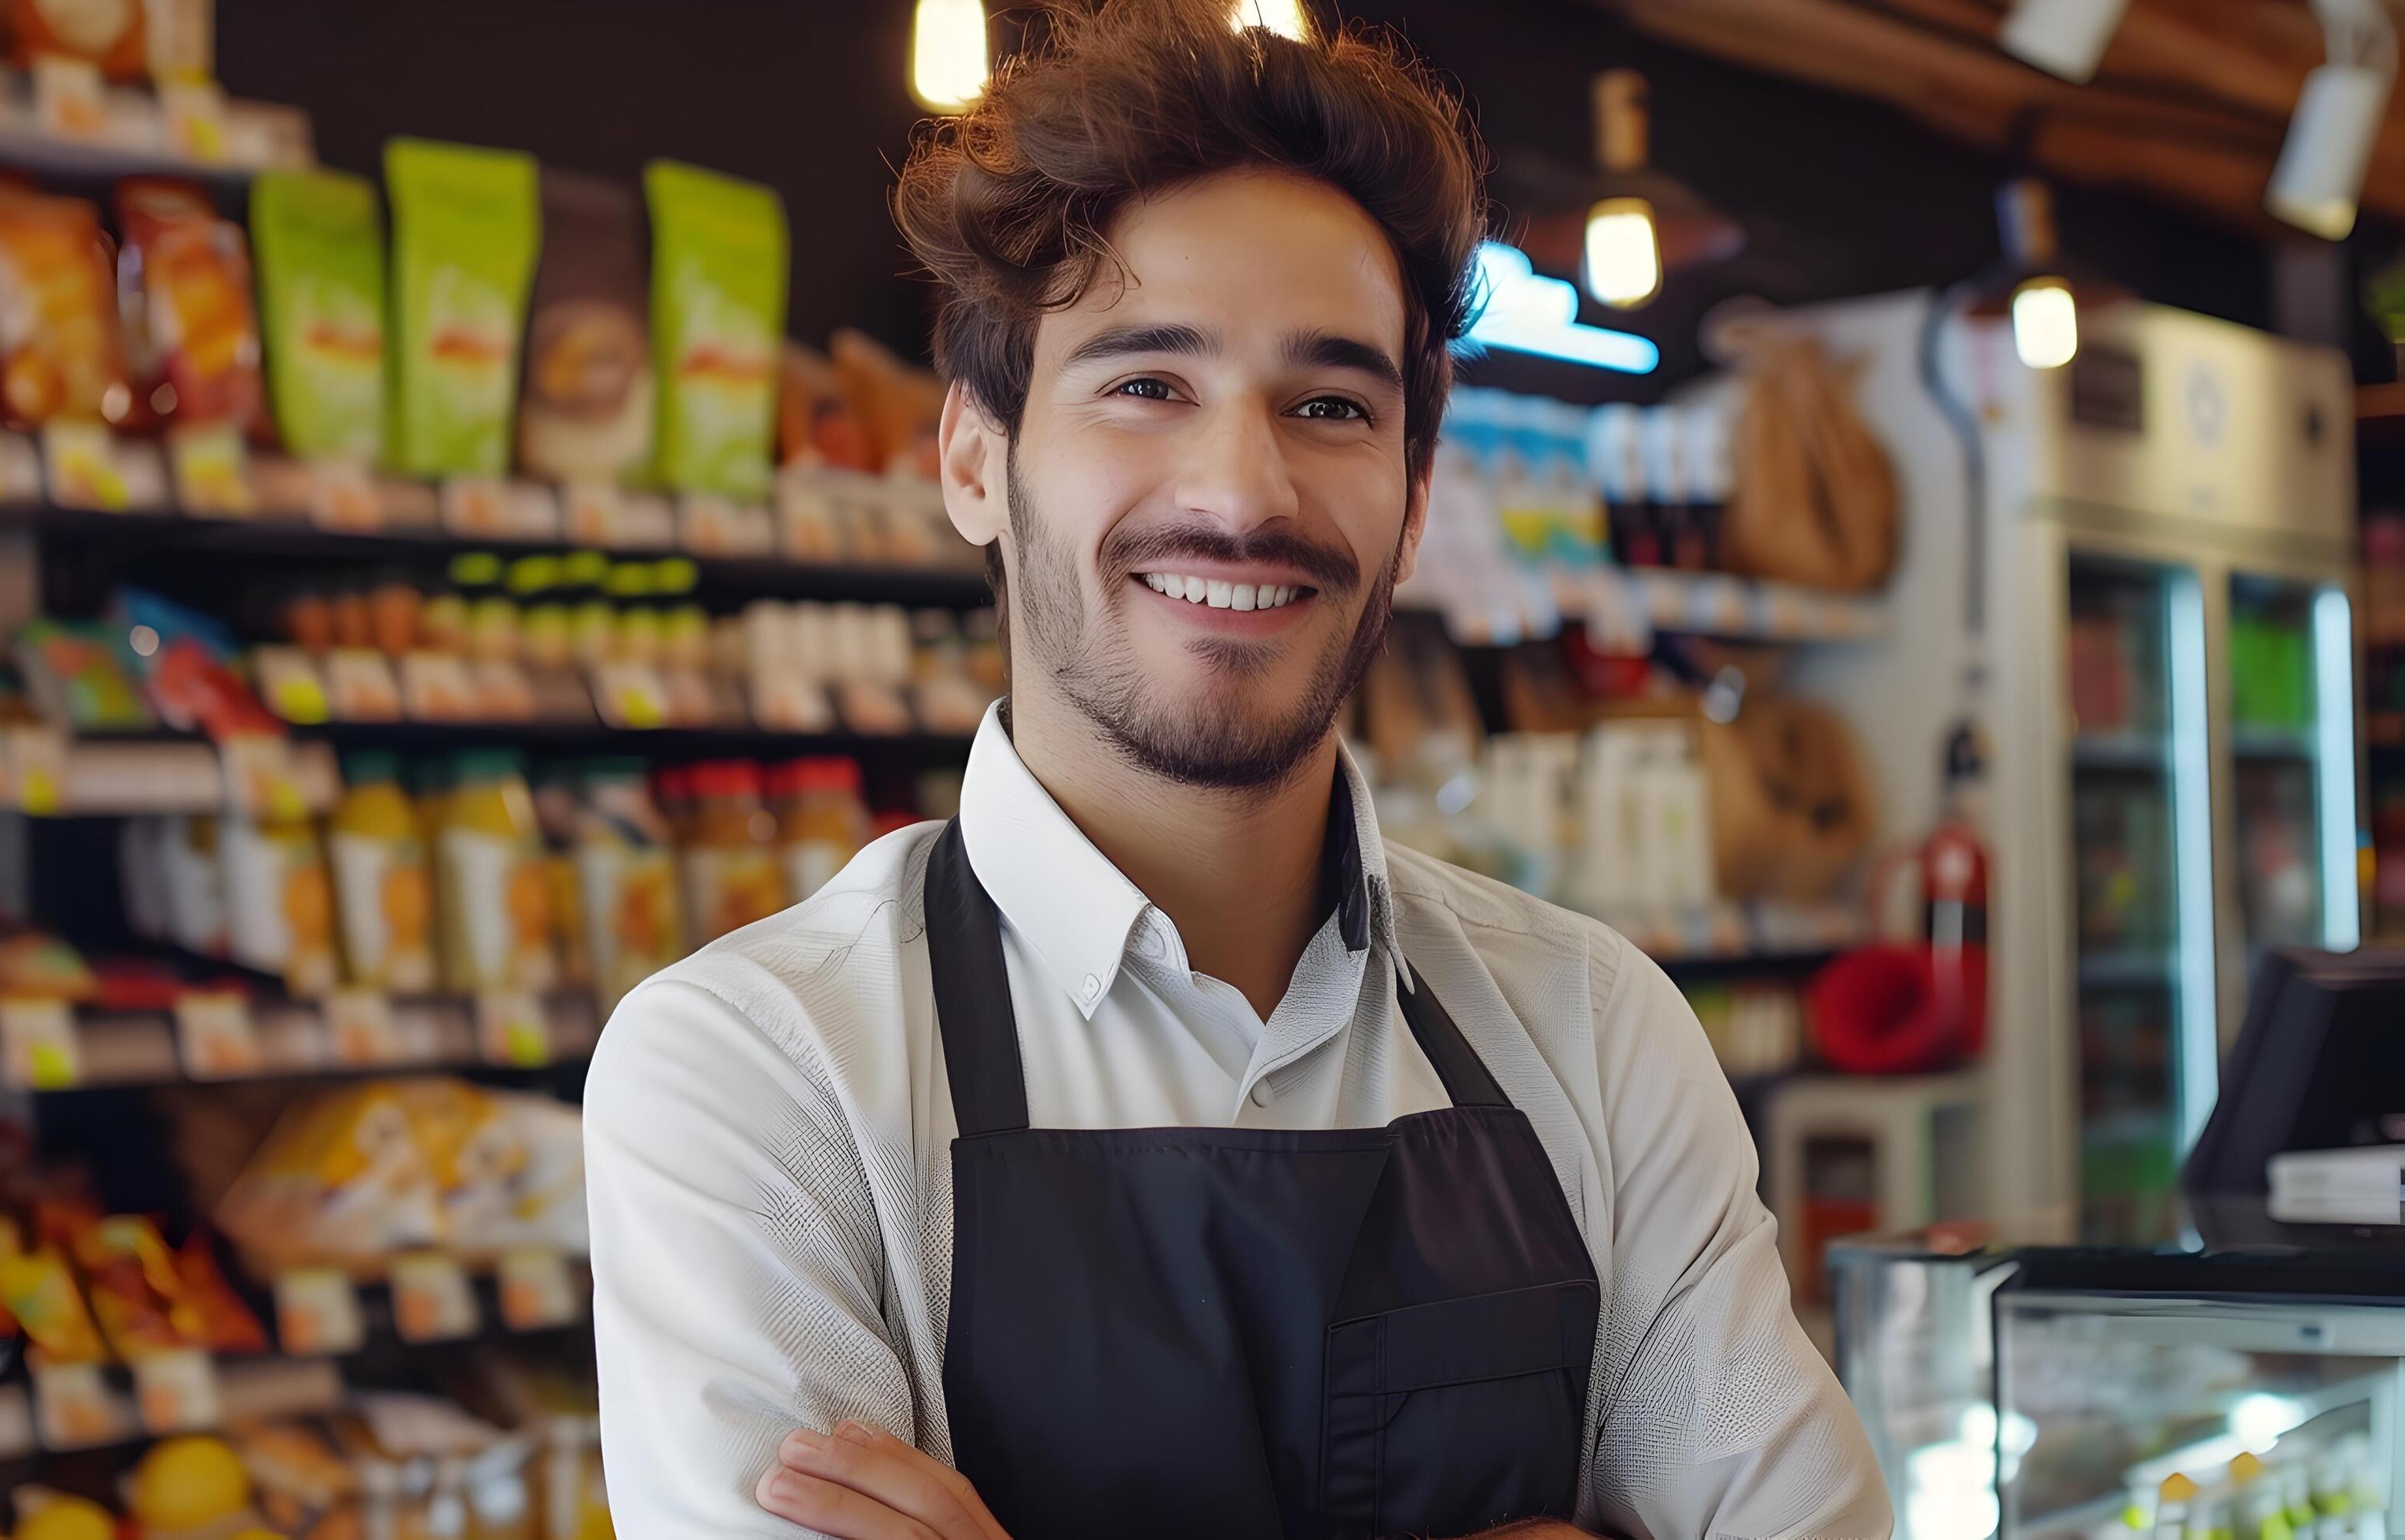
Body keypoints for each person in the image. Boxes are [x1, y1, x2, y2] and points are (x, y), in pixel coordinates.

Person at [582, 2, 1894, 1535]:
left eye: (1329, 404)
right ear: (971, 462)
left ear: (1411, 502)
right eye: (1147, 384)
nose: (1242, 490)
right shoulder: (757, 1071)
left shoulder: (1594, 1030)